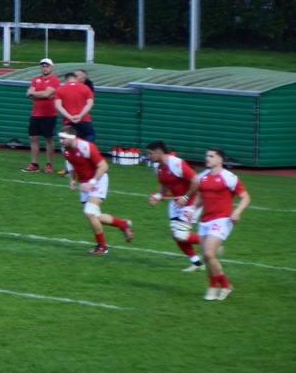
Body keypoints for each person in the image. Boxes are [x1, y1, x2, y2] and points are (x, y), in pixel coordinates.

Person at [58, 127, 132, 254]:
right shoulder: (65, 149)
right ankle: (122, 224)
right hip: (84, 183)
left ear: (72, 138)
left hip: (98, 180)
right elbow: (71, 164)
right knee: (95, 215)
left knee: (89, 212)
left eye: (63, 138)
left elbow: (104, 166)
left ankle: (102, 247)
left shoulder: (86, 147)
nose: (60, 141)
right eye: (60, 138)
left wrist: (91, 183)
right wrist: (72, 179)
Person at [192, 147, 250, 300]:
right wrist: (192, 209)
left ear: (220, 160)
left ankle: (213, 287)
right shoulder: (202, 177)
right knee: (207, 257)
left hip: (222, 220)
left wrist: (237, 212)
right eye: (207, 156)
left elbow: (245, 197)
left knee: (208, 253)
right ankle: (224, 286)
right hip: (205, 220)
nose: (207, 158)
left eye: (211, 156)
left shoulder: (229, 177)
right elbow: (200, 197)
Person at [145, 141, 205, 271]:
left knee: (181, 235)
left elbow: (196, 181)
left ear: (158, 152)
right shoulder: (158, 167)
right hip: (177, 204)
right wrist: (157, 197)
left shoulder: (176, 163)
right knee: (175, 234)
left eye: (150, 153)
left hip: (192, 202)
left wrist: (186, 197)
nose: (148, 156)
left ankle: (211, 241)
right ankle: (197, 264)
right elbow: (164, 186)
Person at [22, 58, 60, 172]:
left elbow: (47, 94)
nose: (45, 68)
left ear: (51, 68)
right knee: (33, 138)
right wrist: (42, 95)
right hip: (35, 114)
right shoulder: (36, 79)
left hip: (49, 114)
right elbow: (29, 94)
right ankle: (34, 164)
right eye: (43, 66)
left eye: (47, 66)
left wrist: (36, 94)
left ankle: (49, 164)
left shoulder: (54, 80)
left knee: (48, 138)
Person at [54, 68, 96, 141]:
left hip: (68, 120)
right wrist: (80, 115)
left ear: (66, 80)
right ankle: (84, 147)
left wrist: (70, 117)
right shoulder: (86, 88)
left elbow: (58, 106)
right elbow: (90, 104)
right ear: (76, 78)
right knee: (90, 135)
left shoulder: (60, 89)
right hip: (84, 119)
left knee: (68, 140)